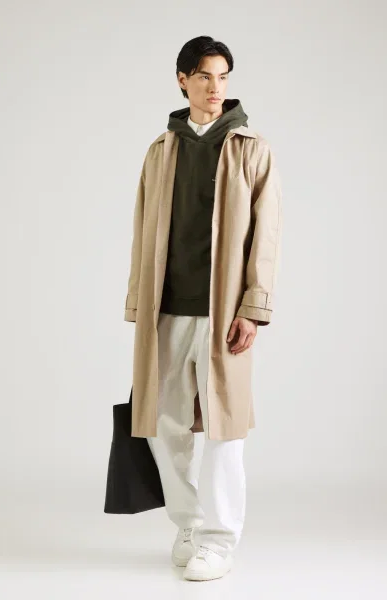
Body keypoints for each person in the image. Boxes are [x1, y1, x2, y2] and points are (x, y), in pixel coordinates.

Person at [124, 35, 282, 581]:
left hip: (224, 315)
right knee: (163, 427)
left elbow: (266, 235)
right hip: (165, 310)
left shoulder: (251, 149)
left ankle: (218, 541)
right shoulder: (160, 150)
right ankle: (189, 524)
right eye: (205, 76)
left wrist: (253, 307)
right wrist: (138, 302)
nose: (216, 87)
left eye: (223, 77)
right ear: (182, 80)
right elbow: (142, 229)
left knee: (223, 429)